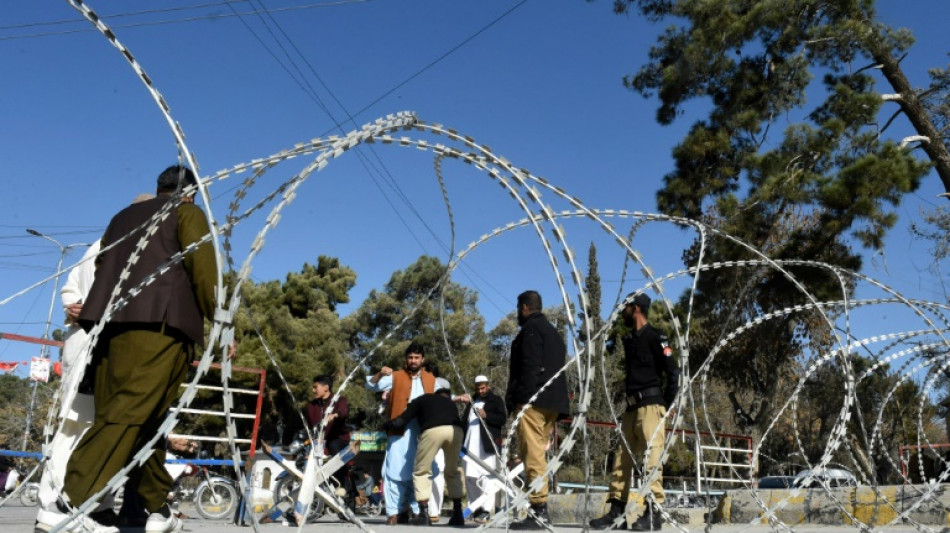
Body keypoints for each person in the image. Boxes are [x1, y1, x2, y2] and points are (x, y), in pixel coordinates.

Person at [59, 166, 216, 533]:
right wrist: (221, 323)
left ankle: (154, 504)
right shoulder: (186, 212)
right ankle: (73, 499)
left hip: (114, 329)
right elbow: (203, 269)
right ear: (190, 192)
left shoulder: (122, 218)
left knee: (146, 419)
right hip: (159, 328)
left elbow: (104, 266)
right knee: (127, 413)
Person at [36, 194, 155, 533]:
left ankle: (96, 504)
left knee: (105, 426)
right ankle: (53, 501)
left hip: (115, 351)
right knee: (74, 424)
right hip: (88, 345)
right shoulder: (104, 245)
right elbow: (71, 290)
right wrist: (74, 306)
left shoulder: (141, 247)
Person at [589, 293, 679, 531]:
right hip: (631, 407)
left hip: (651, 405)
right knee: (621, 460)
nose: (623, 311)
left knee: (652, 459)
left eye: (626, 307)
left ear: (636, 308)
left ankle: (654, 513)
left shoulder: (656, 337)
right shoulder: (629, 340)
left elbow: (673, 372)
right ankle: (617, 512)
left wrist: (666, 405)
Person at [505, 290, 570, 530]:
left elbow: (529, 366)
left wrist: (522, 399)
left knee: (532, 455)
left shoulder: (531, 331)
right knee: (537, 455)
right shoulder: (553, 332)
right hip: (552, 402)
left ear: (523, 307)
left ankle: (539, 510)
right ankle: (538, 508)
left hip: (533, 402)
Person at [366, 342, 435, 524]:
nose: (413, 361)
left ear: (422, 359)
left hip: (421, 432)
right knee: (394, 470)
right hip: (399, 430)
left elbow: (440, 399)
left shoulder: (430, 379)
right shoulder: (396, 376)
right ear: (406, 359)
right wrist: (380, 373)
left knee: (418, 470)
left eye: (416, 357)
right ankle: (393, 512)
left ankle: (413, 510)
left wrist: (458, 398)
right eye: (410, 357)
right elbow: (371, 385)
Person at [384, 386, 465, 527]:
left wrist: (386, 425)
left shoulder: (421, 399)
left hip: (433, 430)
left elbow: (401, 420)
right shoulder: (450, 403)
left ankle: (423, 514)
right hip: (456, 430)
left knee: (421, 471)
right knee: (452, 471)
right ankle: (458, 514)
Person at [458, 374, 507, 524]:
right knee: (470, 477)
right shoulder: (472, 401)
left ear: (488, 386)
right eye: (478, 388)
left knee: (487, 477)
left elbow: (502, 419)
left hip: (487, 445)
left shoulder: (496, 400)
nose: (480, 390)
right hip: (469, 445)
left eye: (483, 387)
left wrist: (487, 415)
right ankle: (476, 508)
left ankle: (485, 509)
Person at [304, 374, 352, 510]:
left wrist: (335, 415)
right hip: (318, 441)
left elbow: (343, 411)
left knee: (333, 445)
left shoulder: (339, 400)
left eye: (315, 387)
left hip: (337, 439)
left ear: (326, 388)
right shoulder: (311, 406)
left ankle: (342, 485)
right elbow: (308, 425)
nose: (313, 390)